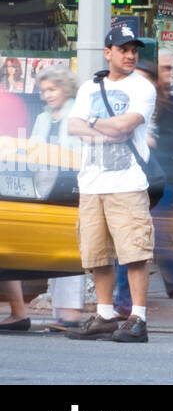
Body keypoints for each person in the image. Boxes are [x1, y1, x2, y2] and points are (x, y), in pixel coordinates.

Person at [64, 27, 158, 343]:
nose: (131, 55)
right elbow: (73, 125)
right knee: (97, 253)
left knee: (134, 252)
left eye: (134, 49)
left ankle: (138, 318)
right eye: (123, 49)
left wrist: (92, 124)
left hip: (128, 181)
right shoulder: (88, 88)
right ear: (108, 52)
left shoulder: (143, 88)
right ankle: (104, 315)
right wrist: (100, 127)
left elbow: (126, 126)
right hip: (91, 181)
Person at [113, 57, 173, 319]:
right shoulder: (126, 105)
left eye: (147, 78)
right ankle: (124, 300)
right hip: (131, 181)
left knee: (161, 242)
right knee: (130, 241)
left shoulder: (167, 105)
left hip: (161, 182)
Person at [29, 65, 86, 330]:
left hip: (71, 186)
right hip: (46, 188)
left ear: (65, 89)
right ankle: (60, 312)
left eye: (52, 89)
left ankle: (71, 314)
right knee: (55, 250)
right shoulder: (43, 118)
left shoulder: (76, 112)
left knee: (70, 249)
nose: (48, 95)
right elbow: (32, 151)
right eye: (44, 90)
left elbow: (78, 151)